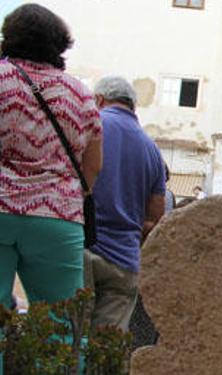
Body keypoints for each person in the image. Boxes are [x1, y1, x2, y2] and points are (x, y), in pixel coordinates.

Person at [0, 4, 103, 310]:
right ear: (60, 44)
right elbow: (93, 165)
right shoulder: (80, 93)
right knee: (63, 322)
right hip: (58, 218)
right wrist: (65, 194)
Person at [83, 77, 165, 331]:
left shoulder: (92, 127)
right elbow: (154, 218)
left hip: (82, 248)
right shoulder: (152, 148)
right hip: (124, 260)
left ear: (98, 100)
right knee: (107, 347)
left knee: (70, 339)